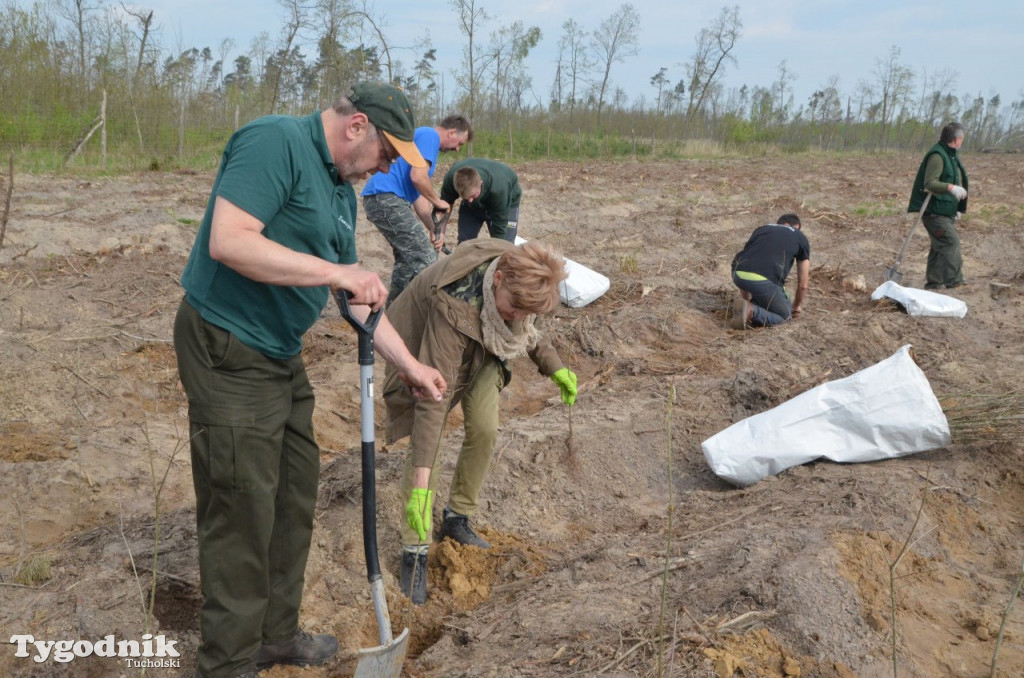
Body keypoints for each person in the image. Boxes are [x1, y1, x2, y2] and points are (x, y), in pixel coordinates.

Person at [173, 82, 448, 678]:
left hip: (278, 353)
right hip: (227, 343)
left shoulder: (338, 194)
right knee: (242, 505)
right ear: (357, 128)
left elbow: (352, 302)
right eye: (386, 156)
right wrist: (337, 269)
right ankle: (227, 661)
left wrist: (411, 365)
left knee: (294, 494)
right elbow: (229, 240)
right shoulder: (274, 142)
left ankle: (273, 635)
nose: (386, 169)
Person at [381, 238, 578, 604]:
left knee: (486, 427)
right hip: (428, 338)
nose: (518, 317)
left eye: (525, 312)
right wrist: (423, 484)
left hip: (483, 342)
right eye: (514, 308)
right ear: (497, 279)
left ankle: (458, 517)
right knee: (431, 440)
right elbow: (432, 404)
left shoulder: (515, 292)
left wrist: (555, 367)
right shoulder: (452, 302)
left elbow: (526, 324)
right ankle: (415, 549)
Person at [361, 115, 473, 301]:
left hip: (387, 199)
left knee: (407, 260)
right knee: (425, 257)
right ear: (452, 132)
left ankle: (395, 311)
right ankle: (406, 310)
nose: (457, 149)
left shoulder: (427, 140)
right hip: (385, 197)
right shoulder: (430, 136)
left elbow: (418, 193)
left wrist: (432, 226)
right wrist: (438, 202)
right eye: (459, 143)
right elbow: (418, 178)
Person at [908, 122, 969, 289]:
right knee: (950, 242)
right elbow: (930, 183)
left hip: (944, 210)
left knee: (939, 245)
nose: (962, 142)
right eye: (961, 139)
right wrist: (951, 188)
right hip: (933, 212)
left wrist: (956, 208)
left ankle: (934, 283)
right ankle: (954, 281)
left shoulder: (950, 155)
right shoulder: (938, 156)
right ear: (956, 140)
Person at [727, 213, 810, 329]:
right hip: (764, 280)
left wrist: (746, 300)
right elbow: (803, 285)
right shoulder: (799, 236)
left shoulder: (762, 229)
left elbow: (747, 258)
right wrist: (796, 307)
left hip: (737, 272)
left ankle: (748, 307)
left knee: (755, 288)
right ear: (796, 226)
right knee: (785, 317)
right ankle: (751, 311)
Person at [439, 157, 522, 244]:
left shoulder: (499, 188)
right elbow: (444, 205)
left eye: (473, 196)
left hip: (506, 201)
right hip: (474, 207)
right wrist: (440, 232)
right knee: (465, 243)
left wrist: (499, 250)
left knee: (505, 244)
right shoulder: (452, 179)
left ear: (480, 183)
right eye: (465, 198)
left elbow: (500, 227)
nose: (470, 200)